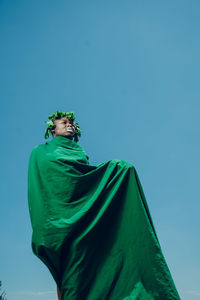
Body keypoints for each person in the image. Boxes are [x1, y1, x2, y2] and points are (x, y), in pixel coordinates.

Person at [28, 110, 180, 300]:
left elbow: (84, 182)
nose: (69, 125)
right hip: (61, 221)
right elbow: (42, 186)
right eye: (64, 122)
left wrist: (116, 171)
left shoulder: (79, 153)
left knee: (123, 169)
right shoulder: (40, 152)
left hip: (87, 217)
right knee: (67, 274)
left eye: (72, 124)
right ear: (52, 129)